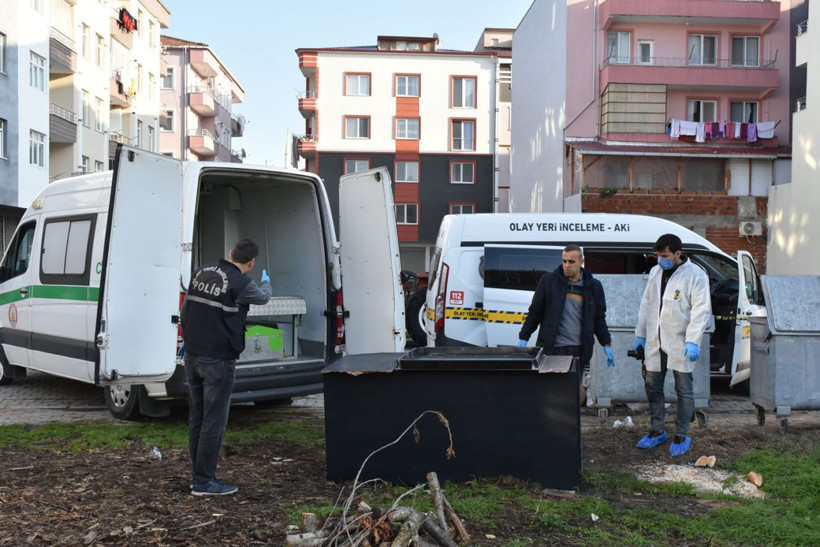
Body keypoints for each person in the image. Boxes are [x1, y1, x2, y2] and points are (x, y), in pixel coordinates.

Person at [180, 238, 272, 496]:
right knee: (214, 420)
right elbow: (264, 299)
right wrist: (267, 282)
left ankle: (197, 475)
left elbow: (187, 308)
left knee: (197, 416)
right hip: (218, 360)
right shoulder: (244, 283)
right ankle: (204, 482)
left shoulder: (202, 271)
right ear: (252, 263)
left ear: (230, 253)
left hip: (193, 354)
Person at [633, 233, 711, 457]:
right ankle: (657, 431)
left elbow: (701, 310)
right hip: (655, 341)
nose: (660, 259)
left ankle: (681, 434)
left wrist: (693, 341)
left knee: (683, 390)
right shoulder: (655, 272)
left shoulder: (696, 275)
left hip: (680, 343)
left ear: (678, 253)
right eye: (658, 255)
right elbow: (646, 305)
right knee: (653, 387)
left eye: (665, 255)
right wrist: (640, 335)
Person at [517, 244, 615, 393]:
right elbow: (535, 312)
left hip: (579, 349)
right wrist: (524, 336)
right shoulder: (548, 282)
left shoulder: (593, 286)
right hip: (553, 348)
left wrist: (606, 343)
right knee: (551, 391)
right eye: (564, 261)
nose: (567, 266)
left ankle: (571, 416)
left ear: (581, 262)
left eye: (571, 262)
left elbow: (598, 318)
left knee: (572, 392)